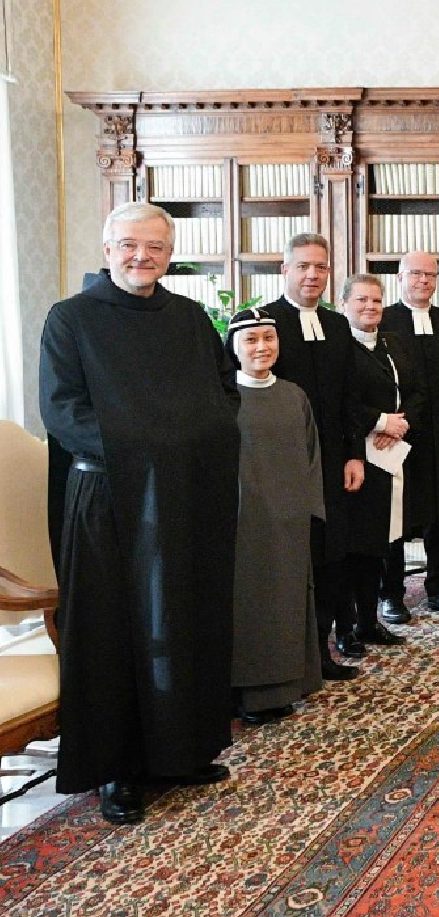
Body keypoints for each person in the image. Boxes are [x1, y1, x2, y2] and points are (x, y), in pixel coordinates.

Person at [39, 201, 241, 824]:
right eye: (129, 244)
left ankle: (182, 749)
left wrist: (188, 445)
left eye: (154, 247)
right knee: (114, 632)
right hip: (108, 498)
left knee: (184, 617)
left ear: (169, 254)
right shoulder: (70, 319)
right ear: (108, 250)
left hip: (186, 494)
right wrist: (148, 452)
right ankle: (116, 767)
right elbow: (63, 411)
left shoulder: (188, 319)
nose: (141, 256)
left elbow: (223, 394)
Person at [263, 233, 363, 677]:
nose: (312, 275)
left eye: (320, 267)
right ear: (284, 269)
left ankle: (321, 652)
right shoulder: (264, 322)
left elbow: (349, 397)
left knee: (330, 556)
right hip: (282, 463)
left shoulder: (337, 325)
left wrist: (354, 455)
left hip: (333, 462)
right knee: (289, 558)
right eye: (303, 266)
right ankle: (287, 658)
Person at [225, 306, 326, 728]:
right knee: (250, 605)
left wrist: (309, 507)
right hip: (243, 523)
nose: (261, 347)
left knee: (288, 602)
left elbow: (312, 455)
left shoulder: (293, 395)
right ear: (233, 347)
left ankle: (287, 687)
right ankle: (249, 695)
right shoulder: (223, 397)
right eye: (251, 340)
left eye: (269, 338)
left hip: (289, 520)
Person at [379, 251, 439, 619]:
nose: (423, 281)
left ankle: (438, 585)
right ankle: (391, 592)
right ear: (400, 277)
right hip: (398, 435)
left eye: (430, 275)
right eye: (416, 274)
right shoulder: (384, 319)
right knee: (396, 515)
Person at [338, 275, 423, 649]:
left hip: (393, 453)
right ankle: (346, 627)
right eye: (361, 300)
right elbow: (339, 400)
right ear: (344, 304)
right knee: (356, 545)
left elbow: (418, 391)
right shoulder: (339, 347)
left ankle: (370, 621)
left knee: (384, 539)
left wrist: (402, 423)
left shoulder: (394, 343)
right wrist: (379, 421)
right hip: (356, 456)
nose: (370, 307)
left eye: (376, 300)